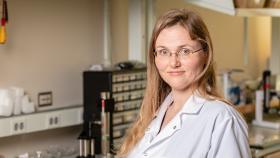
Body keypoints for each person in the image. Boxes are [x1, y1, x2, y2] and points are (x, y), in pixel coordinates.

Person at [117, 8, 251, 158]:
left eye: (185, 51)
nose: (173, 62)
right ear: (154, 57)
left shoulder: (222, 119)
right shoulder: (154, 113)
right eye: (163, 51)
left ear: (205, 54)